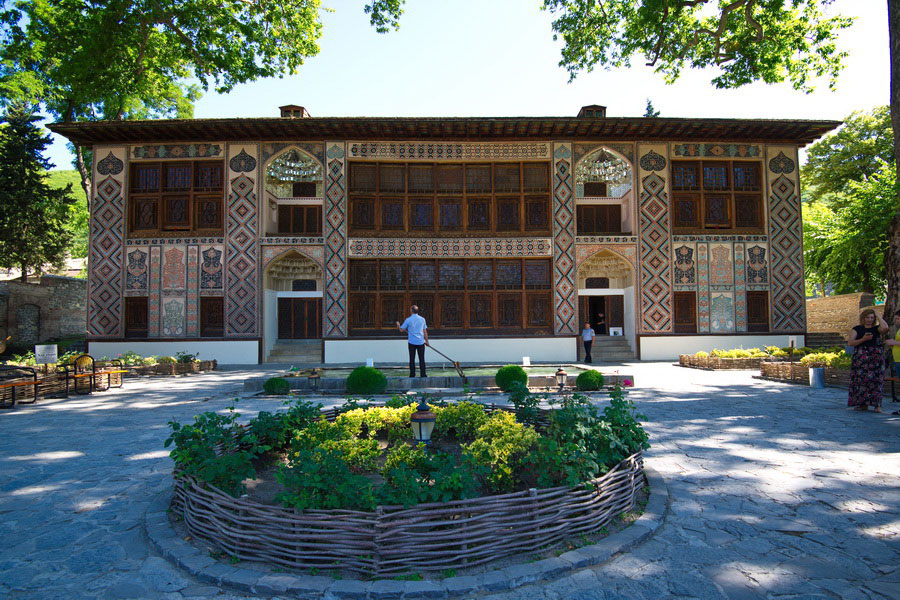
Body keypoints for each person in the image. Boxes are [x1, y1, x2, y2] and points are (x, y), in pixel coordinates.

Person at [847, 308, 889, 413]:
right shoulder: (857, 329)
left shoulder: (876, 329)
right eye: (867, 317)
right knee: (861, 380)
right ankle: (863, 404)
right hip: (861, 358)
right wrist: (863, 339)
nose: (870, 320)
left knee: (877, 381)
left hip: (876, 357)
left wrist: (878, 316)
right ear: (863, 318)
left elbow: (885, 328)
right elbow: (850, 343)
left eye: (872, 318)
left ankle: (877, 405)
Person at [396, 305, 428, 378]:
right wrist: (427, 341)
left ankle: (412, 374)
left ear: (411, 311)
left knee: (412, 358)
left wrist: (398, 325)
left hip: (412, 342)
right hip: (420, 341)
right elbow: (425, 331)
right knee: (422, 359)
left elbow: (401, 330)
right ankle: (423, 374)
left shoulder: (408, 320)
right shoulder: (422, 319)